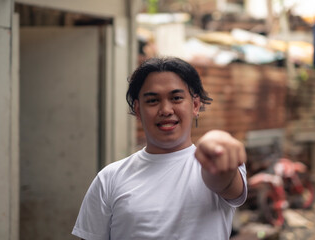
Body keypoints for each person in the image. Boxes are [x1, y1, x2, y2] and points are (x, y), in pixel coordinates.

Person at [72, 57, 247, 240]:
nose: (165, 110)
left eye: (176, 98)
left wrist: (218, 144)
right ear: (138, 110)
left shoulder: (216, 165)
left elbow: (221, 179)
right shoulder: (109, 178)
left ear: (195, 105)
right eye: (153, 101)